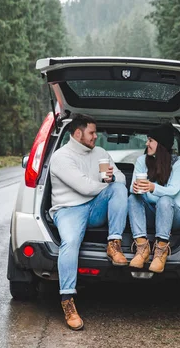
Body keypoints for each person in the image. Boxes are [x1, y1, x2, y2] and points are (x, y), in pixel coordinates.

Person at [49, 113, 128, 331]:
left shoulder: (101, 153)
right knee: (70, 242)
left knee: (119, 188)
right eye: (92, 132)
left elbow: (122, 179)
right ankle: (68, 301)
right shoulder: (61, 157)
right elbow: (84, 187)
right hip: (68, 209)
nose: (96, 136)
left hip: (94, 208)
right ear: (77, 133)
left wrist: (112, 179)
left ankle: (114, 244)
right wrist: (105, 184)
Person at [127, 124, 180, 273]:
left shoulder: (179, 163)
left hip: (175, 215)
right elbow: (132, 186)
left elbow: (173, 190)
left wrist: (152, 187)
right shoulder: (142, 160)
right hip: (152, 214)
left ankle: (161, 250)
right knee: (132, 198)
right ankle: (142, 248)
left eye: (150, 140)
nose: (146, 143)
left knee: (165, 200)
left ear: (161, 143)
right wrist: (135, 188)